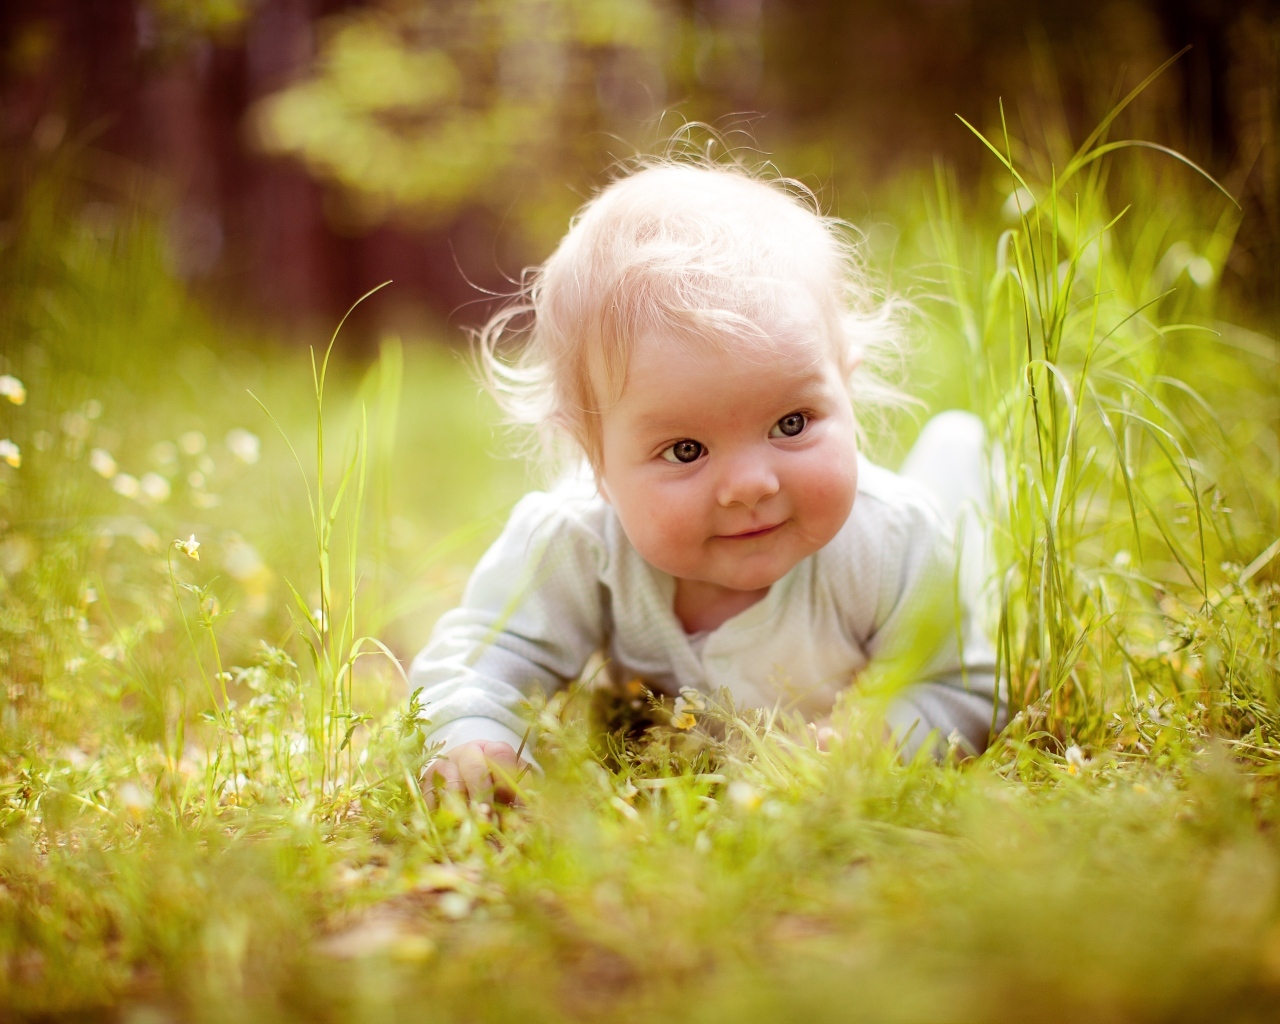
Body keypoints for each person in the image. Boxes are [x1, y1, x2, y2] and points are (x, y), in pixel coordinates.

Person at [411, 160, 1004, 803]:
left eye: (792, 422)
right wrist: (474, 733)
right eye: (686, 449)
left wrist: (882, 735)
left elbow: (959, 683)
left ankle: (959, 455)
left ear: (846, 385)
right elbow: (484, 656)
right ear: (595, 457)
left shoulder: (895, 540)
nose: (749, 484)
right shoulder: (579, 543)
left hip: (934, 539)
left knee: (965, 535)